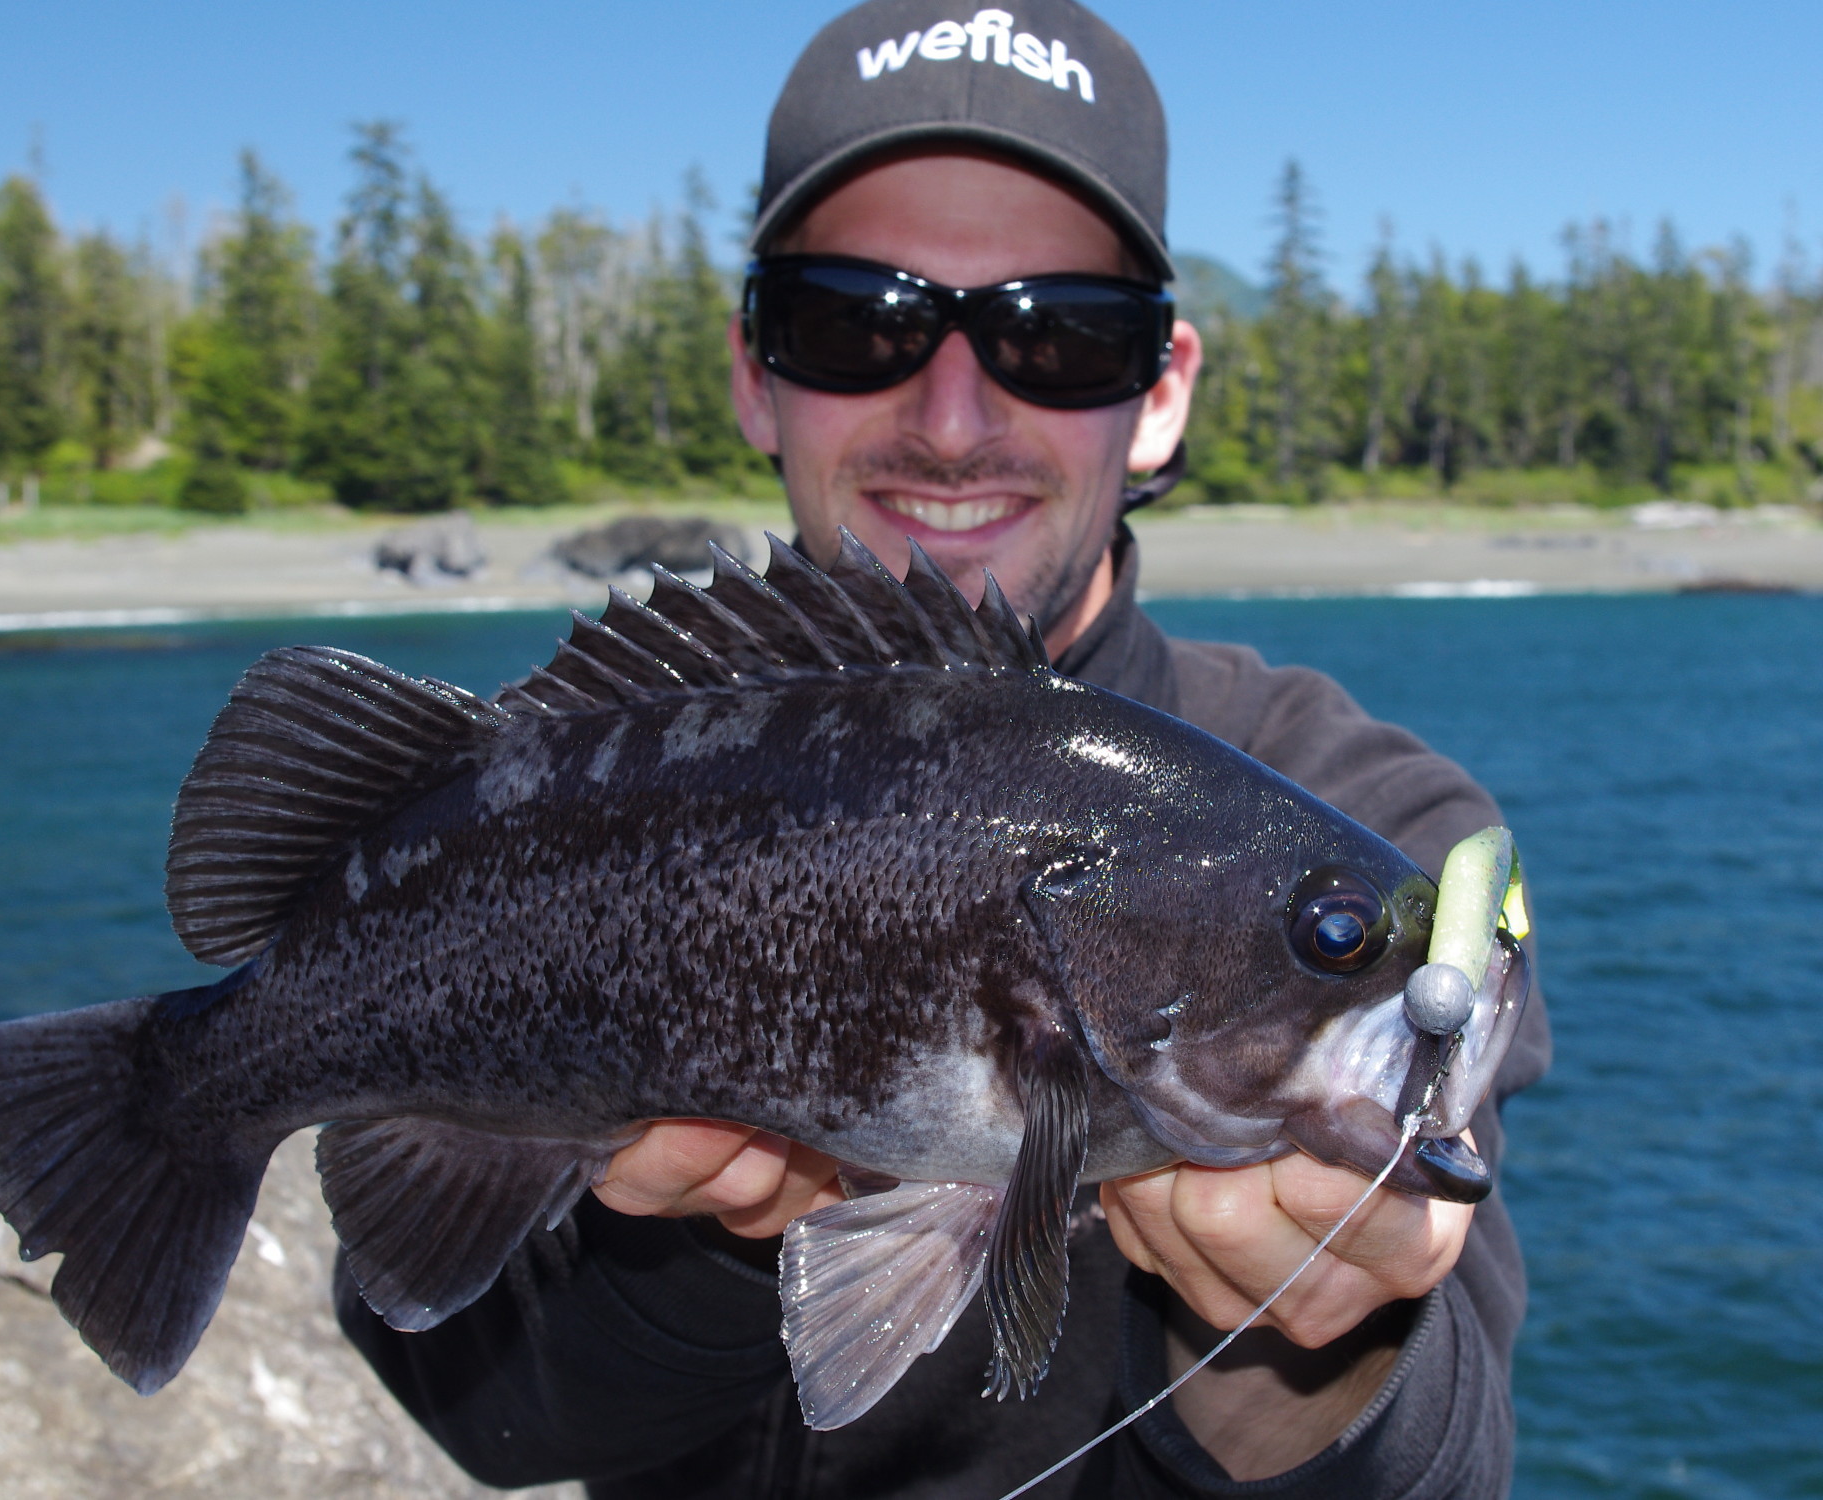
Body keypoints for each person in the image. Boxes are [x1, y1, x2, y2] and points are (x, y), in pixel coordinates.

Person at [338, 2, 1551, 1494]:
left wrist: (1317, 1345)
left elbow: (1456, 1463)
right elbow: (469, 1403)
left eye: (1060, 334)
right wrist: (706, 1256)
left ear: (1159, 393)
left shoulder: (1378, 811)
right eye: (858, 319)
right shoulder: (578, 767)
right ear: (753, 370)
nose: (955, 413)